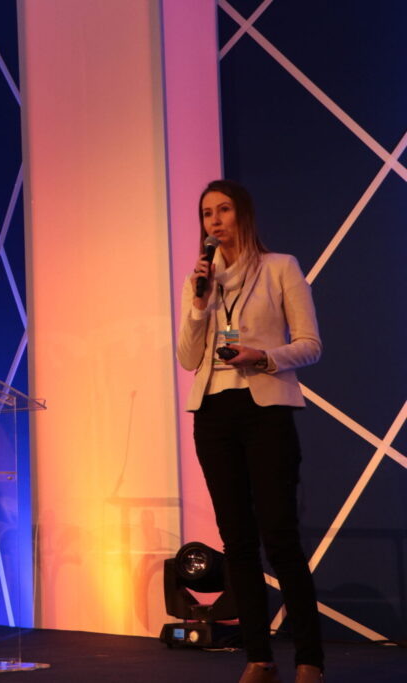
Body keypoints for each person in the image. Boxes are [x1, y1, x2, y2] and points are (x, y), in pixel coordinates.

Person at [177, 180, 324, 683]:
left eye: (223, 210)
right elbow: (187, 358)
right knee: (236, 542)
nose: (214, 221)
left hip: (265, 410)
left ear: (244, 215)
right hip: (213, 415)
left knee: (279, 536)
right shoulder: (200, 281)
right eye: (206, 214)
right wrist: (199, 304)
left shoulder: (281, 267)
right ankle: (257, 658)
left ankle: (309, 658)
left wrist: (262, 356)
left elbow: (310, 345)